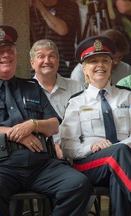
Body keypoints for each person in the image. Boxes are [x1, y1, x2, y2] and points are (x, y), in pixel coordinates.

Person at [0, 24, 92, 216]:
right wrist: (16, 135)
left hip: (40, 164)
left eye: (9, 50)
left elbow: (54, 124)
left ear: (16, 55)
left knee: (78, 184)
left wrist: (33, 124)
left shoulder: (31, 87)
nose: (5, 55)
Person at [60, 35, 131, 216]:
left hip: (123, 161)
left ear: (112, 64)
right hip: (89, 164)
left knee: (118, 168)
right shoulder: (76, 102)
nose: (100, 65)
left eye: (104, 60)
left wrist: (119, 148)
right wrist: (90, 147)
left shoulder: (127, 96)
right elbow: (67, 147)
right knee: (118, 154)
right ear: (84, 68)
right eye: (93, 61)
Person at [30, 39, 84, 158]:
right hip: (40, 153)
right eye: (41, 56)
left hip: (77, 149)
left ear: (58, 61)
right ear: (32, 63)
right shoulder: (25, 90)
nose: (47, 61)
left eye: (52, 56)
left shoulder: (76, 86)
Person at [29, 0, 81, 78]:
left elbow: (62, 30)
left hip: (65, 66)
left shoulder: (69, 5)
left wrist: (41, 8)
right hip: (40, 67)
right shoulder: (31, 10)